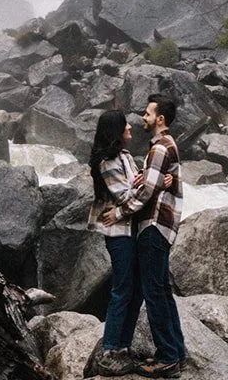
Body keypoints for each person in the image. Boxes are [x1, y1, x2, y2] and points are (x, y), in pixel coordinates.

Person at [111, 96, 186, 379]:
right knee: (162, 292)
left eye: (147, 113)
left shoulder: (159, 148)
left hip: (153, 226)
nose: (142, 117)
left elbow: (146, 193)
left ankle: (167, 357)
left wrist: (119, 212)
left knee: (154, 293)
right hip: (163, 226)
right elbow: (156, 183)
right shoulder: (168, 146)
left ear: (160, 119)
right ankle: (176, 352)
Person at [87, 109, 144, 376]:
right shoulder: (107, 161)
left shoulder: (124, 156)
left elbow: (136, 186)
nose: (131, 128)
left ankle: (123, 346)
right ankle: (110, 349)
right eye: (125, 126)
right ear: (116, 131)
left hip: (131, 229)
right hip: (118, 233)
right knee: (122, 289)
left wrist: (148, 180)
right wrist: (148, 183)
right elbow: (124, 195)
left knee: (136, 289)